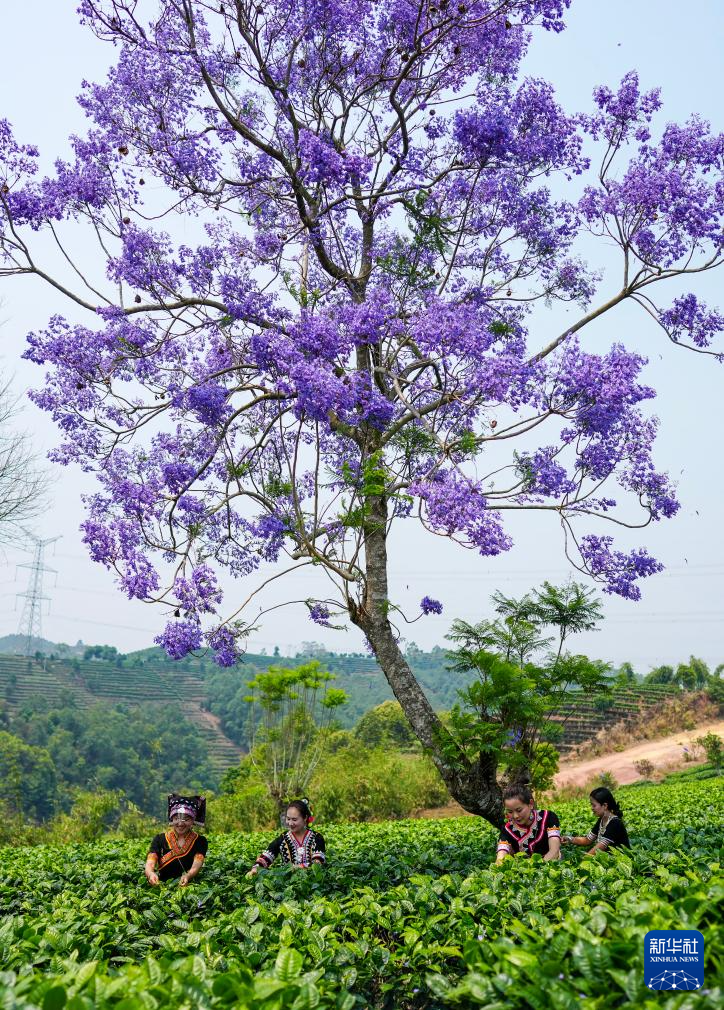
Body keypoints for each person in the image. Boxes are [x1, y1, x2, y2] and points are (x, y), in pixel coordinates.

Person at [246, 798, 325, 876]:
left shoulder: (317, 838)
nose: (290, 823)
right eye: (288, 819)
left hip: (312, 882)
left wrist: (295, 868)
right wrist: (255, 869)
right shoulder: (283, 839)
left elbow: (317, 863)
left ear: (305, 818)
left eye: (294, 819)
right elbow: (266, 856)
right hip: (286, 885)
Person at [145, 794, 208, 886]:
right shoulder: (159, 839)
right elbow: (151, 861)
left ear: (193, 821)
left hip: (189, 886)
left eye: (186, 819)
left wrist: (188, 876)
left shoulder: (200, 841)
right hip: (162, 886)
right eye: (176, 818)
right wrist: (150, 874)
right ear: (171, 819)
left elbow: (197, 864)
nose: (180, 824)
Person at [495, 783, 561, 862]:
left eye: (519, 810)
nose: (515, 816)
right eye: (510, 811)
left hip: (552, 865)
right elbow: (500, 859)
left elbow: (554, 852)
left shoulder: (548, 817)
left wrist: (538, 869)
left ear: (531, 804)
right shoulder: (507, 830)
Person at [561, 787, 630, 854]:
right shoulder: (602, 820)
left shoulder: (615, 822)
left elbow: (600, 847)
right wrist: (570, 839)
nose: (592, 808)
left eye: (594, 805)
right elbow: (588, 840)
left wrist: (583, 863)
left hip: (622, 862)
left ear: (605, 806)